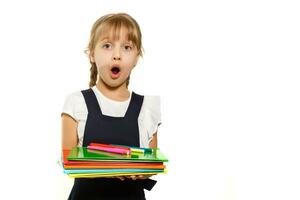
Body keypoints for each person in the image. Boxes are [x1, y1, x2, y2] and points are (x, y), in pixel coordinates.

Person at [61, 13, 161, 200]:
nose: (117, 55)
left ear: (137, 57)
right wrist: (110, 166)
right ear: (92, 53)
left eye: (127, 47)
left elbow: (152, 164)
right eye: (107, 46)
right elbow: (69, 162)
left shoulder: (147, 108)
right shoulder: (76, 103)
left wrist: (142, 172)